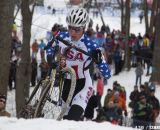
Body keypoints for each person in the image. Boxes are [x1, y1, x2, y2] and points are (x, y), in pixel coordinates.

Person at [55, 8, 111, 121]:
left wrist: (99, 60)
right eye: (70, 27)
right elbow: (49, 48)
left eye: (77, 29)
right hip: (66, 84)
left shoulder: (91, 45)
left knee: (71, 119)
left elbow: (107, 74)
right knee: (63, 122)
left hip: (83, 85)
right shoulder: (62, 36)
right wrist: (49, 58)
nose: (72, 32)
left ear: (84, 28)